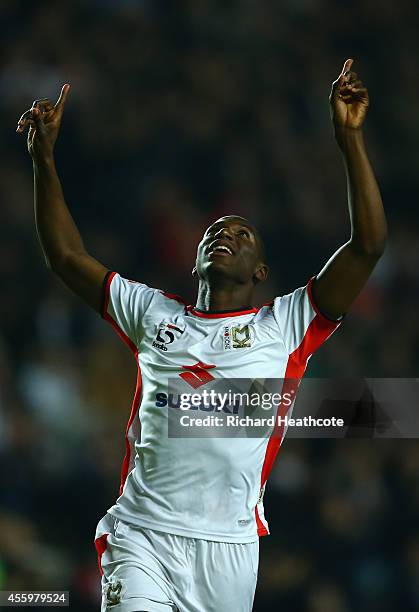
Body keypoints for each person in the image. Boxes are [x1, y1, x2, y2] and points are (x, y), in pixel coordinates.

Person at [17, 58, 387, 612]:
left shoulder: (285, 326)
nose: (225, 234)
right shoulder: (153, 314)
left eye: (242, 235)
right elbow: (65, 257)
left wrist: (349, 139)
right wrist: (44, 161)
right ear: (194, 261)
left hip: (230, 553)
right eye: (215, 230)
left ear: (261, 272)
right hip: (142, 535)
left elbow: (366, 247)